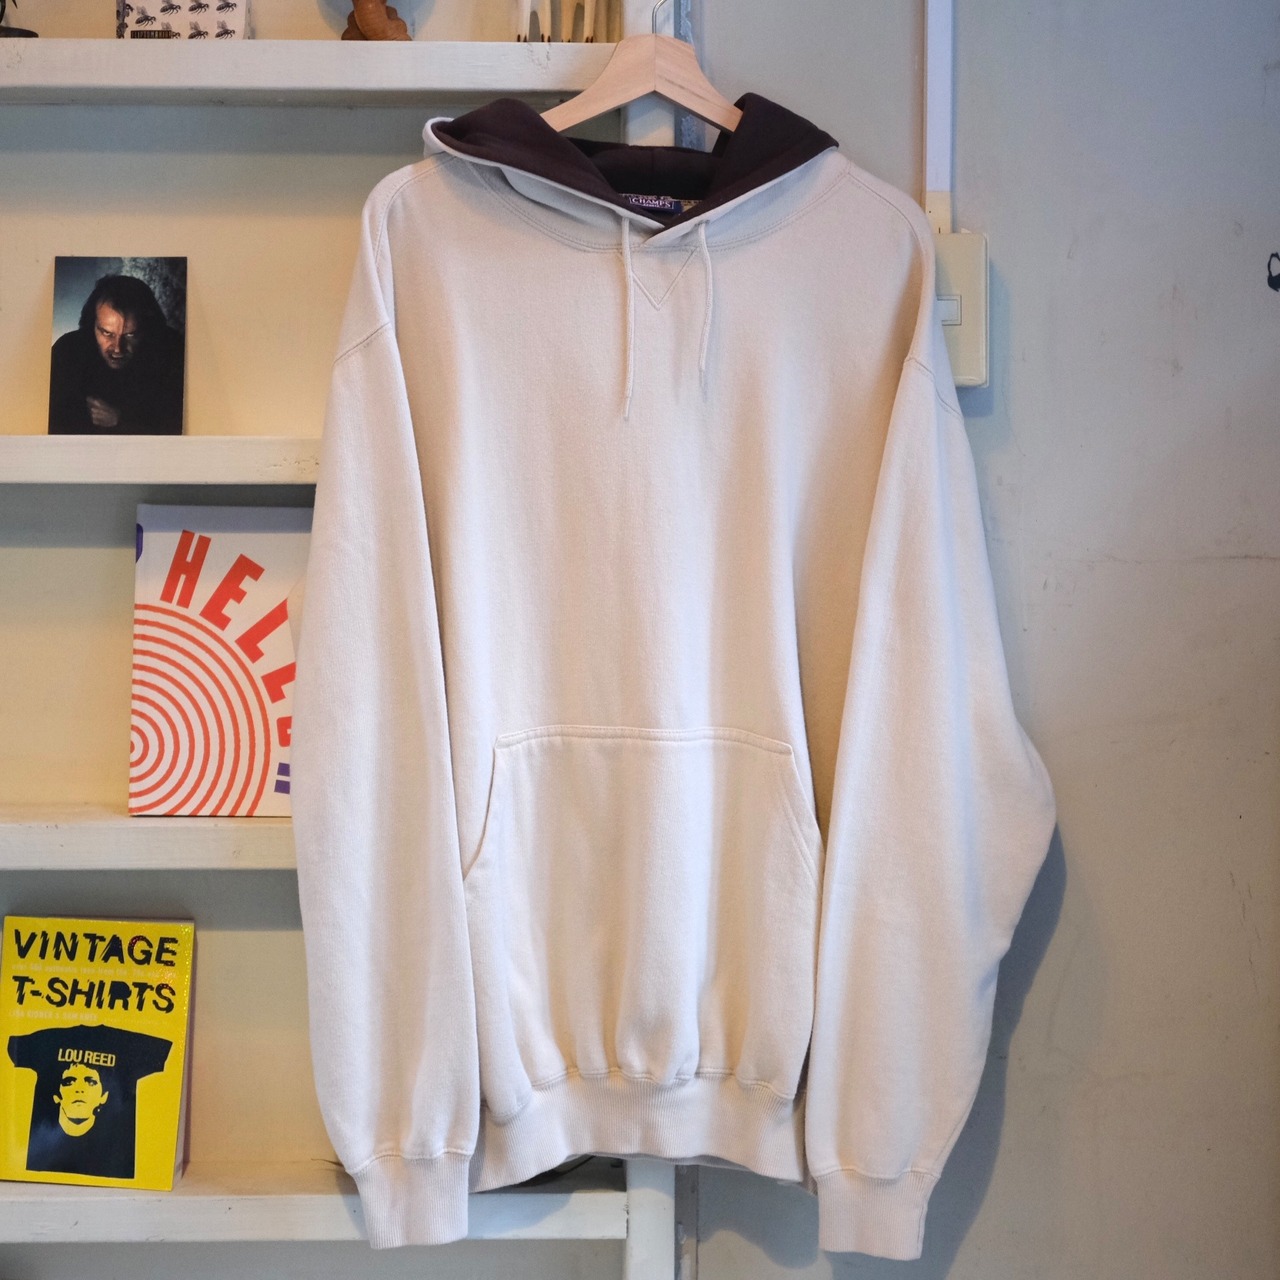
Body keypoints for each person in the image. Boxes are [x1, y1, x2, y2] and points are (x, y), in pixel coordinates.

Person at [48, 274, 185, 435]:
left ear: (148, 328)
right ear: (92, 324)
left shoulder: (172, 350)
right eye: (107, 333)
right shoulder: (67, 352)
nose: (118, 348)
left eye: (131, 335)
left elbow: (179, 427)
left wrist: (122, 420)